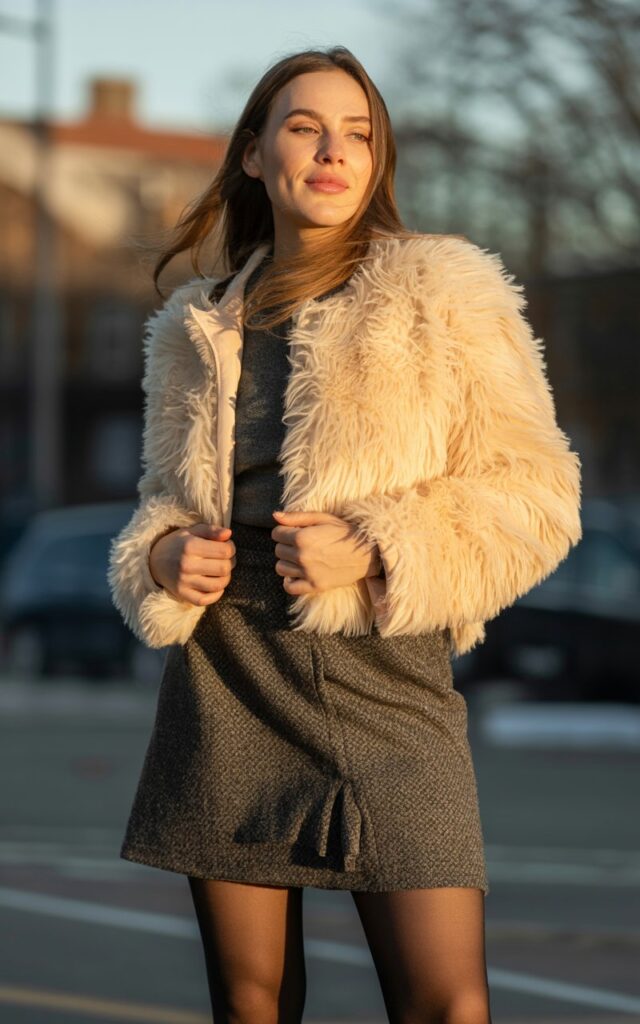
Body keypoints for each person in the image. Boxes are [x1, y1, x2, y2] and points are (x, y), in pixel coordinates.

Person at [107, 45, 582, 1024]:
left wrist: (375, 544)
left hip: (389, 687)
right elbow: (160, 498)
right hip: (228, 682)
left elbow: (539, 494)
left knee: (447, 1003)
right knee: (250, 1002)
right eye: (303, 125)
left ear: (378, 162)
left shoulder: (440, 290)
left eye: (358, 133)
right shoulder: (193, 326)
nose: (333, 151)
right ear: (252, 153)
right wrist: (159, 556)